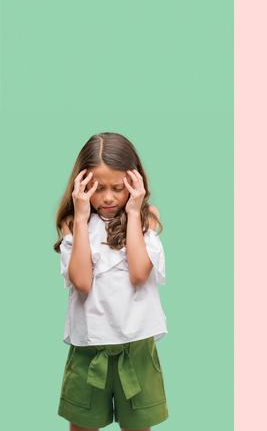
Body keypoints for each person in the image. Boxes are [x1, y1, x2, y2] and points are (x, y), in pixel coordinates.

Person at [54, 132, 168, 430]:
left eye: (117, 188)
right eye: (97, 188)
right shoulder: (73, 224)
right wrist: (80, 218)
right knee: (82, 425)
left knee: (139, 425)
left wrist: (133, 211)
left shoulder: (146, 219)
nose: (107, 197)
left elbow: (139, 272)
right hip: (89, 348)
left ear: (134, 183)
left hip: (137, 347)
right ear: (81, 185)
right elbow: (81, 281)